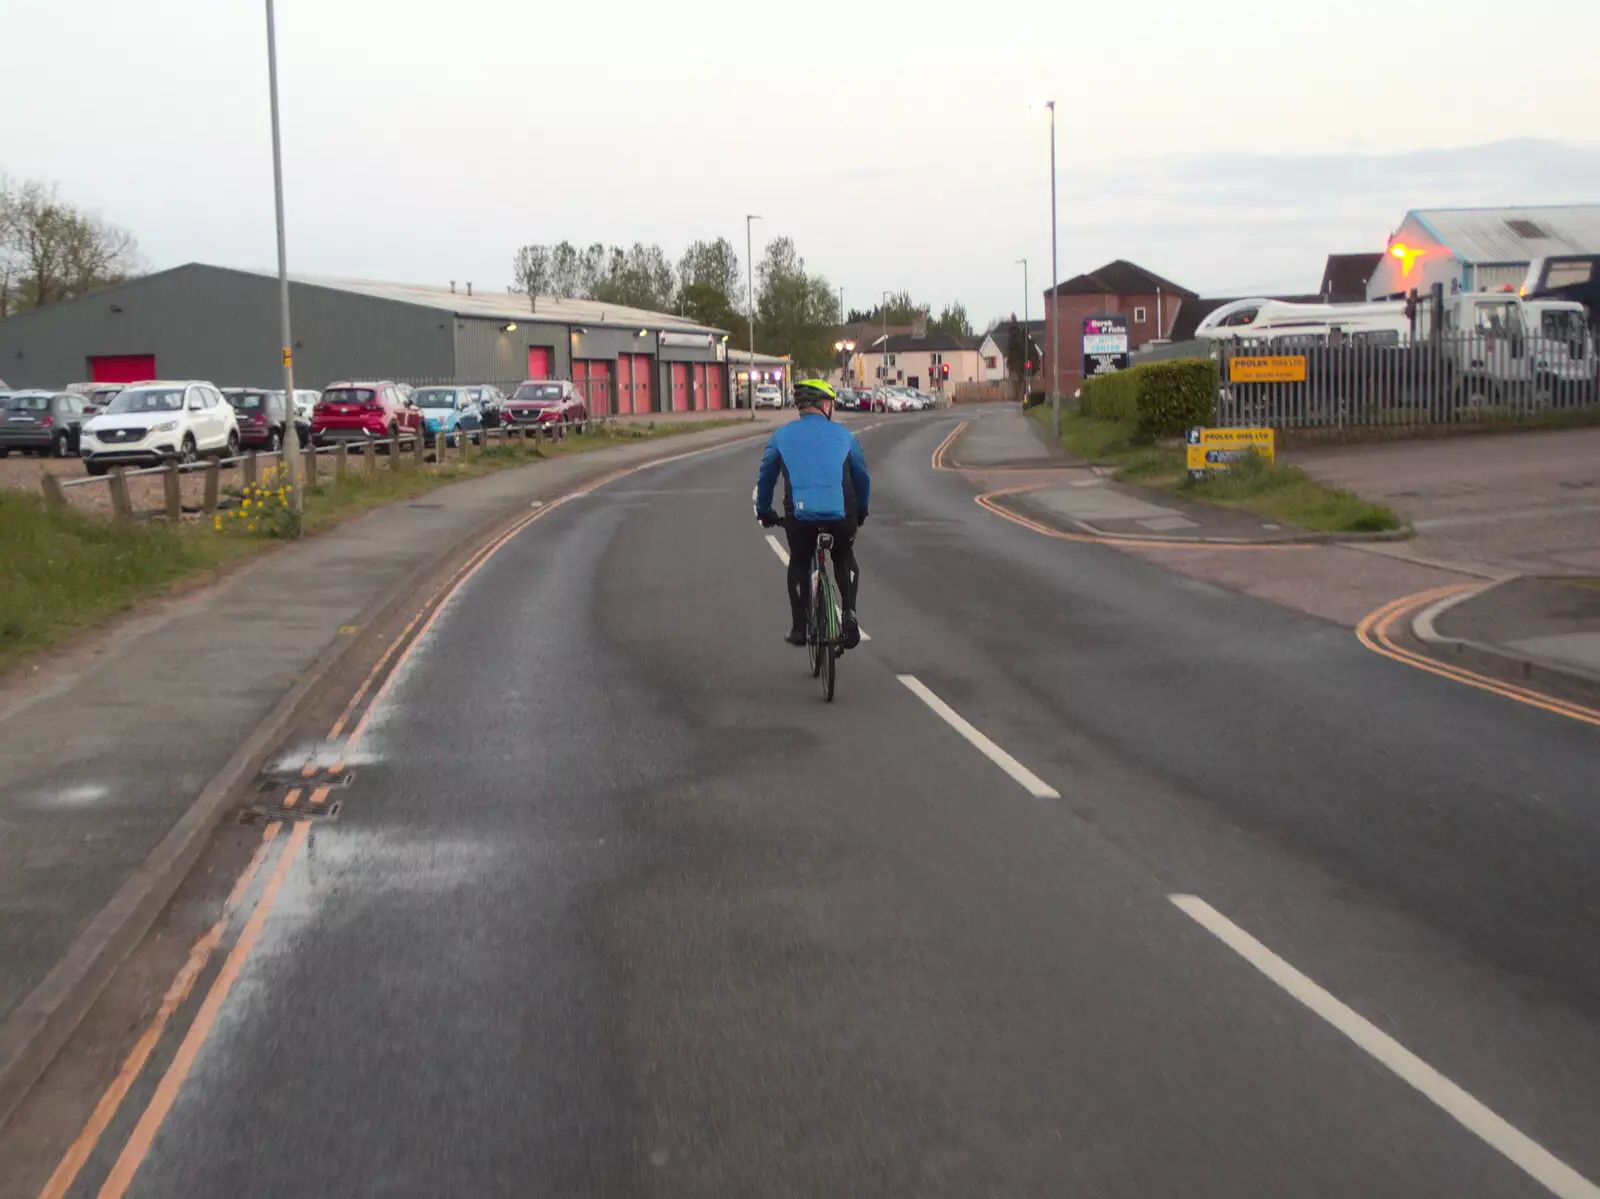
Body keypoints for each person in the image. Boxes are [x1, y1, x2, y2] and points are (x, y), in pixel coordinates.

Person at [753, 379, 870, 649]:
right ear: (826, 405)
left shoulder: (780, 436)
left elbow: (766, 477)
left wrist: (764, 511)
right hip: (842, 516)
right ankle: (849, 614)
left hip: (800, 517)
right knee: (843, 555)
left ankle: (799, 627)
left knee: (800, 560)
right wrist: (862, 509)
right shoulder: (845, 436)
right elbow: (862, 477)